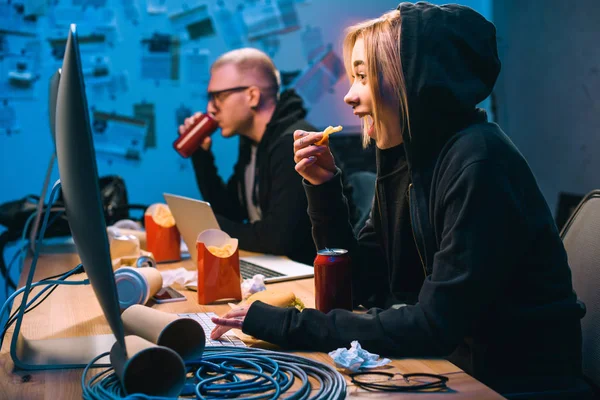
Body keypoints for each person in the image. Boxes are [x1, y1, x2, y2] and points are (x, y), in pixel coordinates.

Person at [211, 3, 586, 396]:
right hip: (455, 363)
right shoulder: (409, 158)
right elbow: (362, 283)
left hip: (513, 382)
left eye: (362, 77)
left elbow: (433, 325)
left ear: (413, 81)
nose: (349, 97)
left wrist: (286, 324)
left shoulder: (480, 162)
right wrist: (323, 188)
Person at [179, 48, 316, 264]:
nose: (210, 109)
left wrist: (211, 227)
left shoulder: (292, 144)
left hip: (306, 277)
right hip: (275, 265)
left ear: (252, 95)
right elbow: (230, 211)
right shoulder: (252, 143)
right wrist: (201, 155)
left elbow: (278, 238)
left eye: (218, 97)